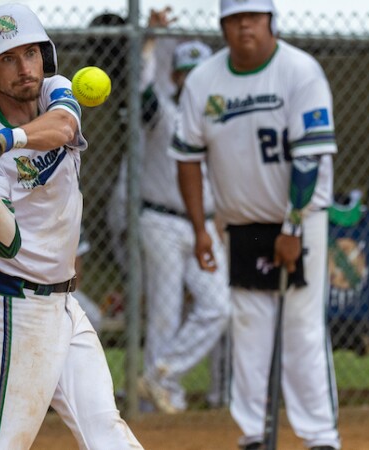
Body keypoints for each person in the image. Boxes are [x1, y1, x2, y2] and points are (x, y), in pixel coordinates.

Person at [0, 4, 142, 449]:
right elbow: (4, 244)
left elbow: (64, 127)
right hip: (13, 306)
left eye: (30, 53)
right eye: (8, 59)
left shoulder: (56, 92)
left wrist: (7, 141)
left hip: (64, 303)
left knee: (107, 432)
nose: (24, 67)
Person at [170, 1, 340, 449]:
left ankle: (319, 435)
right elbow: (187, 157)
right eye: (235, 16)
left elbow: (310, 157)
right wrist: (200, 229)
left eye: (254, 15)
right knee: (248, 327)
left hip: (298, 219)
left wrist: (293, 229)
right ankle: (253, 434)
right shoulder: (204, 80)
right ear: (223, 24)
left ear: (270, 20)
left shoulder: (300, 72)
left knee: (302, 328)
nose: (245, 24)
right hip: (240, 224)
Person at [136, 8, 232, 414]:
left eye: (200, 71)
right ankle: (162, 404)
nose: (192, 78)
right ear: (175, 77)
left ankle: (162, 374)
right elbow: (143, 91)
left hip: (204, 225)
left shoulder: (221, 120)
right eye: (185, 72)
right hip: (159, 220)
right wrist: (151, 43)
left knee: (218, 305)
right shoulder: (164, 113)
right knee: (164, 312)